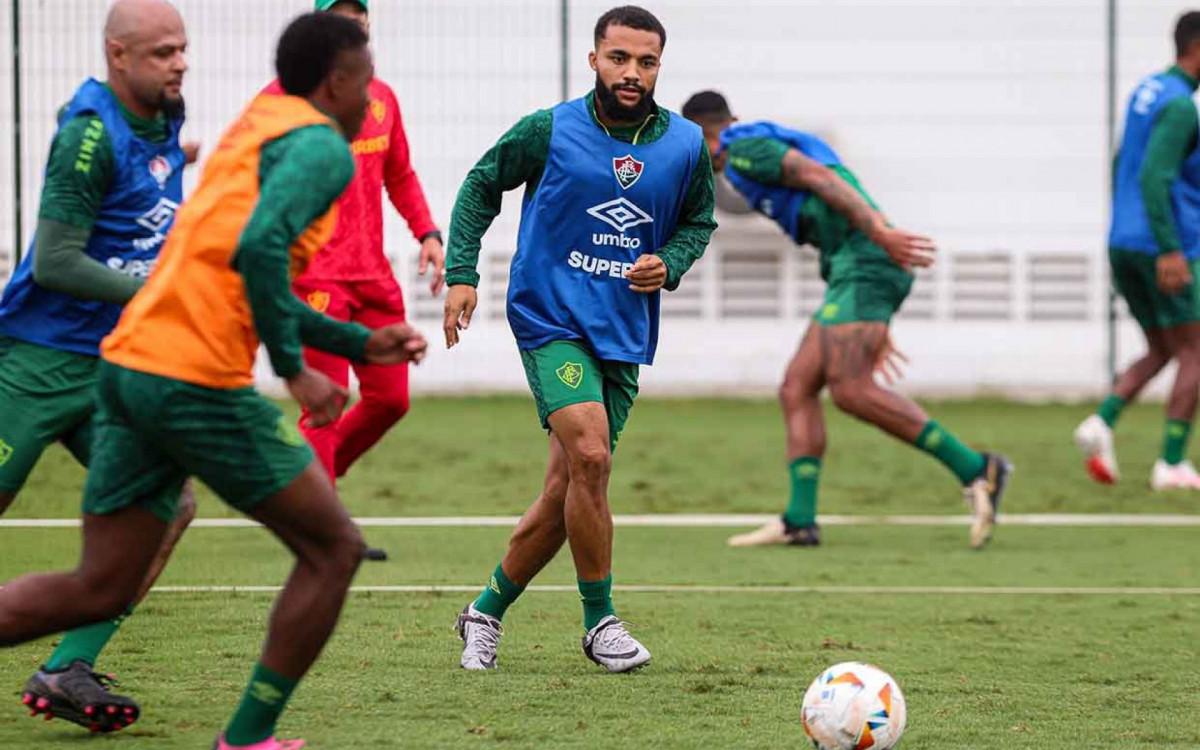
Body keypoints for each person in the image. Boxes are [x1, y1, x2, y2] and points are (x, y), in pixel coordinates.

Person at [0, 13, 427, 750]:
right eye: (366, 80)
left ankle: (81, 669)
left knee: (96, 586)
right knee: (333, 551)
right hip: (190, 379)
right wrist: (295, 371)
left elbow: (242, 263)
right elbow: (262, 250)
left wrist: (358, 340)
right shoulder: (324, 149)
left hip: (127, 366)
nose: (374, 97)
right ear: (337, 81)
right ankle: (248, 739)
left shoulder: (259, 121)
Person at [443, 5, 716, 673]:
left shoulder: (684, 145)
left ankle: (483, 610)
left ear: (659, 67)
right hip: (549, 318)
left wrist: (669, 262)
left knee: (570, 489)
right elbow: (482, 184)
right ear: (594, 59)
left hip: (621, 332)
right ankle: (601, 624)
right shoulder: (550, 129)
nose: (632, 72)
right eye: (619, 58)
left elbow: (698, 222)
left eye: (646, 62)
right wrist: (461, 274)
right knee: (591, 456)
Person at [681, 90, 1010, 550]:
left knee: (852, 390)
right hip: (851, 270)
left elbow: (819, 177)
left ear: (703, 133)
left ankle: (978, 469)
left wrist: (878, 233)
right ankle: (799, 521)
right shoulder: (740, 157)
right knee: (797, 385)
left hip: (866, 258)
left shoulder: (742, 150)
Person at [0, 0, 197, 731]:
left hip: (111, 363)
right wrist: (158, 290)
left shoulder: (163, 114)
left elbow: (148, 191)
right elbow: (54, 262)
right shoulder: (88, 136)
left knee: (167, 506)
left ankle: (66, 667)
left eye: (182, 49)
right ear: (118, 56)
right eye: (162, 53)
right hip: (36, 363)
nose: (179, 63)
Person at [263, 0, 444, 487]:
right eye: (341, 25)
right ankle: (323, 527)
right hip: (313, 276)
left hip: (372, 274)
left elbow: (400, 174)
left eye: (359, 25)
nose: (353, 34)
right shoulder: (282, 101)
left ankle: (308, 494)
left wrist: (427, 233)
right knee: (324, 402)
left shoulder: (380, 98)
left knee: (392, 398)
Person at [1074, 11, 1200, 491]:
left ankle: (1101, 422)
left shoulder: (1148, 91)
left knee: (1162, 348)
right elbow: (1154, 176)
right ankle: (1171, 463)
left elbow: (1121, 161)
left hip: (1124, 239)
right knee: (1195, 349)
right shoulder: (1181, 107)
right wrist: (1169, 248)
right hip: (1162, 244)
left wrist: (1124, 221)